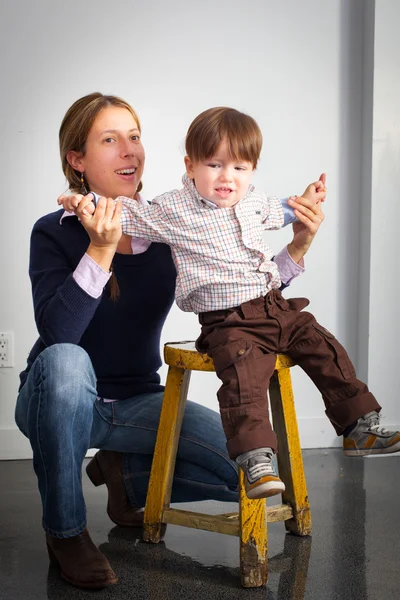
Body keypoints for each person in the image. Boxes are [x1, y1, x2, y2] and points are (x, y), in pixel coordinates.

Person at [15, 94, 323, 591]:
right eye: (109, 140)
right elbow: (59, 336)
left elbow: (239, 298)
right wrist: (100, 247)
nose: (128, 151)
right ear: (78, 160)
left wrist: (297, 249)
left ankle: (127, 479)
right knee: (70, 361)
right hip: (59, 396)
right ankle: (67, 532)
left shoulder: (167, 227)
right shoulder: (54, 232)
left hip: (139, 402)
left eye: (133, 137)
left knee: (247, 469)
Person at [61, 106, 400, 503]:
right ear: (190, 165)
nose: (227, 177)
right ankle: (256, 458)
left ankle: (360, 425)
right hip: (229, 323)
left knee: (323, 345)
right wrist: (82, 203)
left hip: (274, 306)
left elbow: (284, 210)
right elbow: (123, 214)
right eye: (215, 165)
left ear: (252, 171)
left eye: (240, 168)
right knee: (244, 380)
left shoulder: (253, 201)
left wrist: (305, 206)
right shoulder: (172, 211)